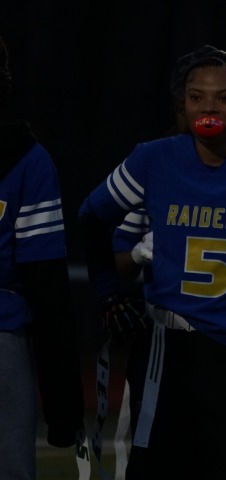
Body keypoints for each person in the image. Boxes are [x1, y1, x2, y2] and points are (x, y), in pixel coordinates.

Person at [78, 44, 226, 479]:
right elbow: (91, 219)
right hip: (168, 350)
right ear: (183, 103)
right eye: (197, 97)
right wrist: (109, 293)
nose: (208, 107)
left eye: (224, 97)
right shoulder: (153, 159)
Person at [0, 36, 85, 480]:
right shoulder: (27, 160)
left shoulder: (28, 162)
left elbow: (47, 286)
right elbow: (47, 289)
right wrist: (63, 408)